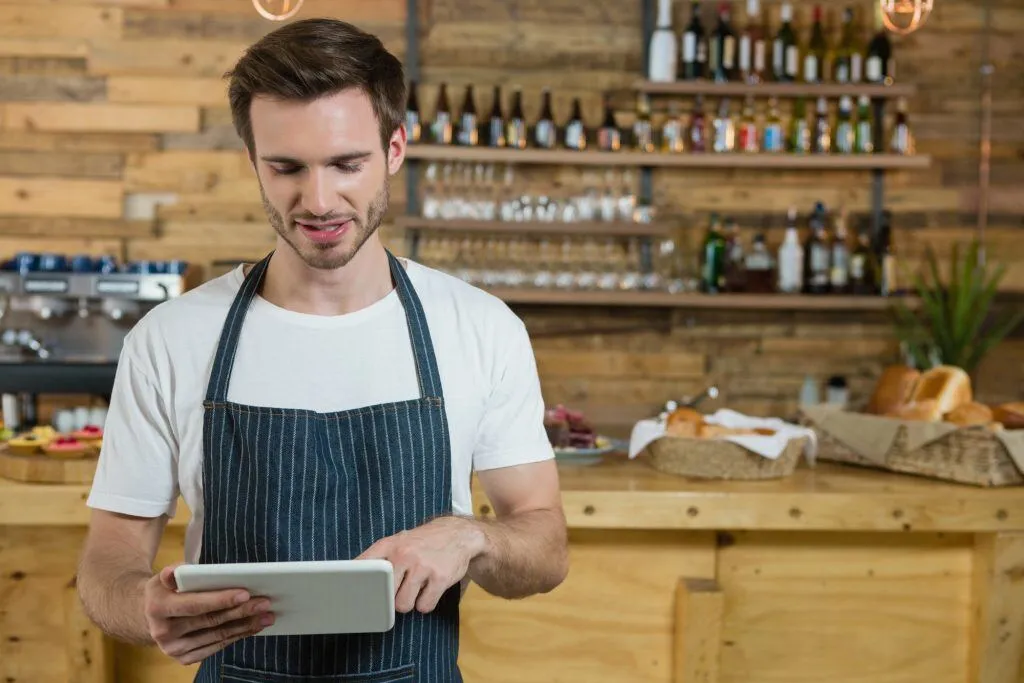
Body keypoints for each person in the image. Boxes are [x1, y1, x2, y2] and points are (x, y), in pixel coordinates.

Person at [76, 17, 568, 681]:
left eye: (346, 163)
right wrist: (141, 604)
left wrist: (472, 534)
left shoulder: (479, 328)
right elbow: (108, 557)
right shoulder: (171, 339)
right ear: (252, 160)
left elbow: (544, 541)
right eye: (286, 168)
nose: (318, 199)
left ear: (395, 148)